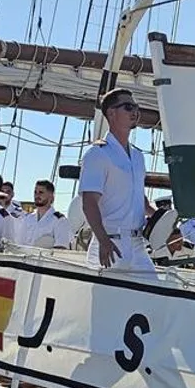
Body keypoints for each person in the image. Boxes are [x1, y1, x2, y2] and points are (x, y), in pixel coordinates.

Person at [79, 87, 154, 274]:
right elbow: (89, 202)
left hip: (138, 244)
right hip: (110, 243)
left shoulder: (138, 156)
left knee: (155, 298)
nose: (135, 112)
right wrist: (103, 240)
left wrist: (157, 217)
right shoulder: (97, 154)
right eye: (128, 107)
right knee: (107, 302)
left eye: (136, 107)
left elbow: (137, 195)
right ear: (111, 113)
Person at [15, 179, 71, 250]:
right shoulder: (27, 219)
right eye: (35, 192)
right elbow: (19, 245)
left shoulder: (59, 221)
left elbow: (61, 248)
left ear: (51, 196)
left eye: (41, 192)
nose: (37, 195)